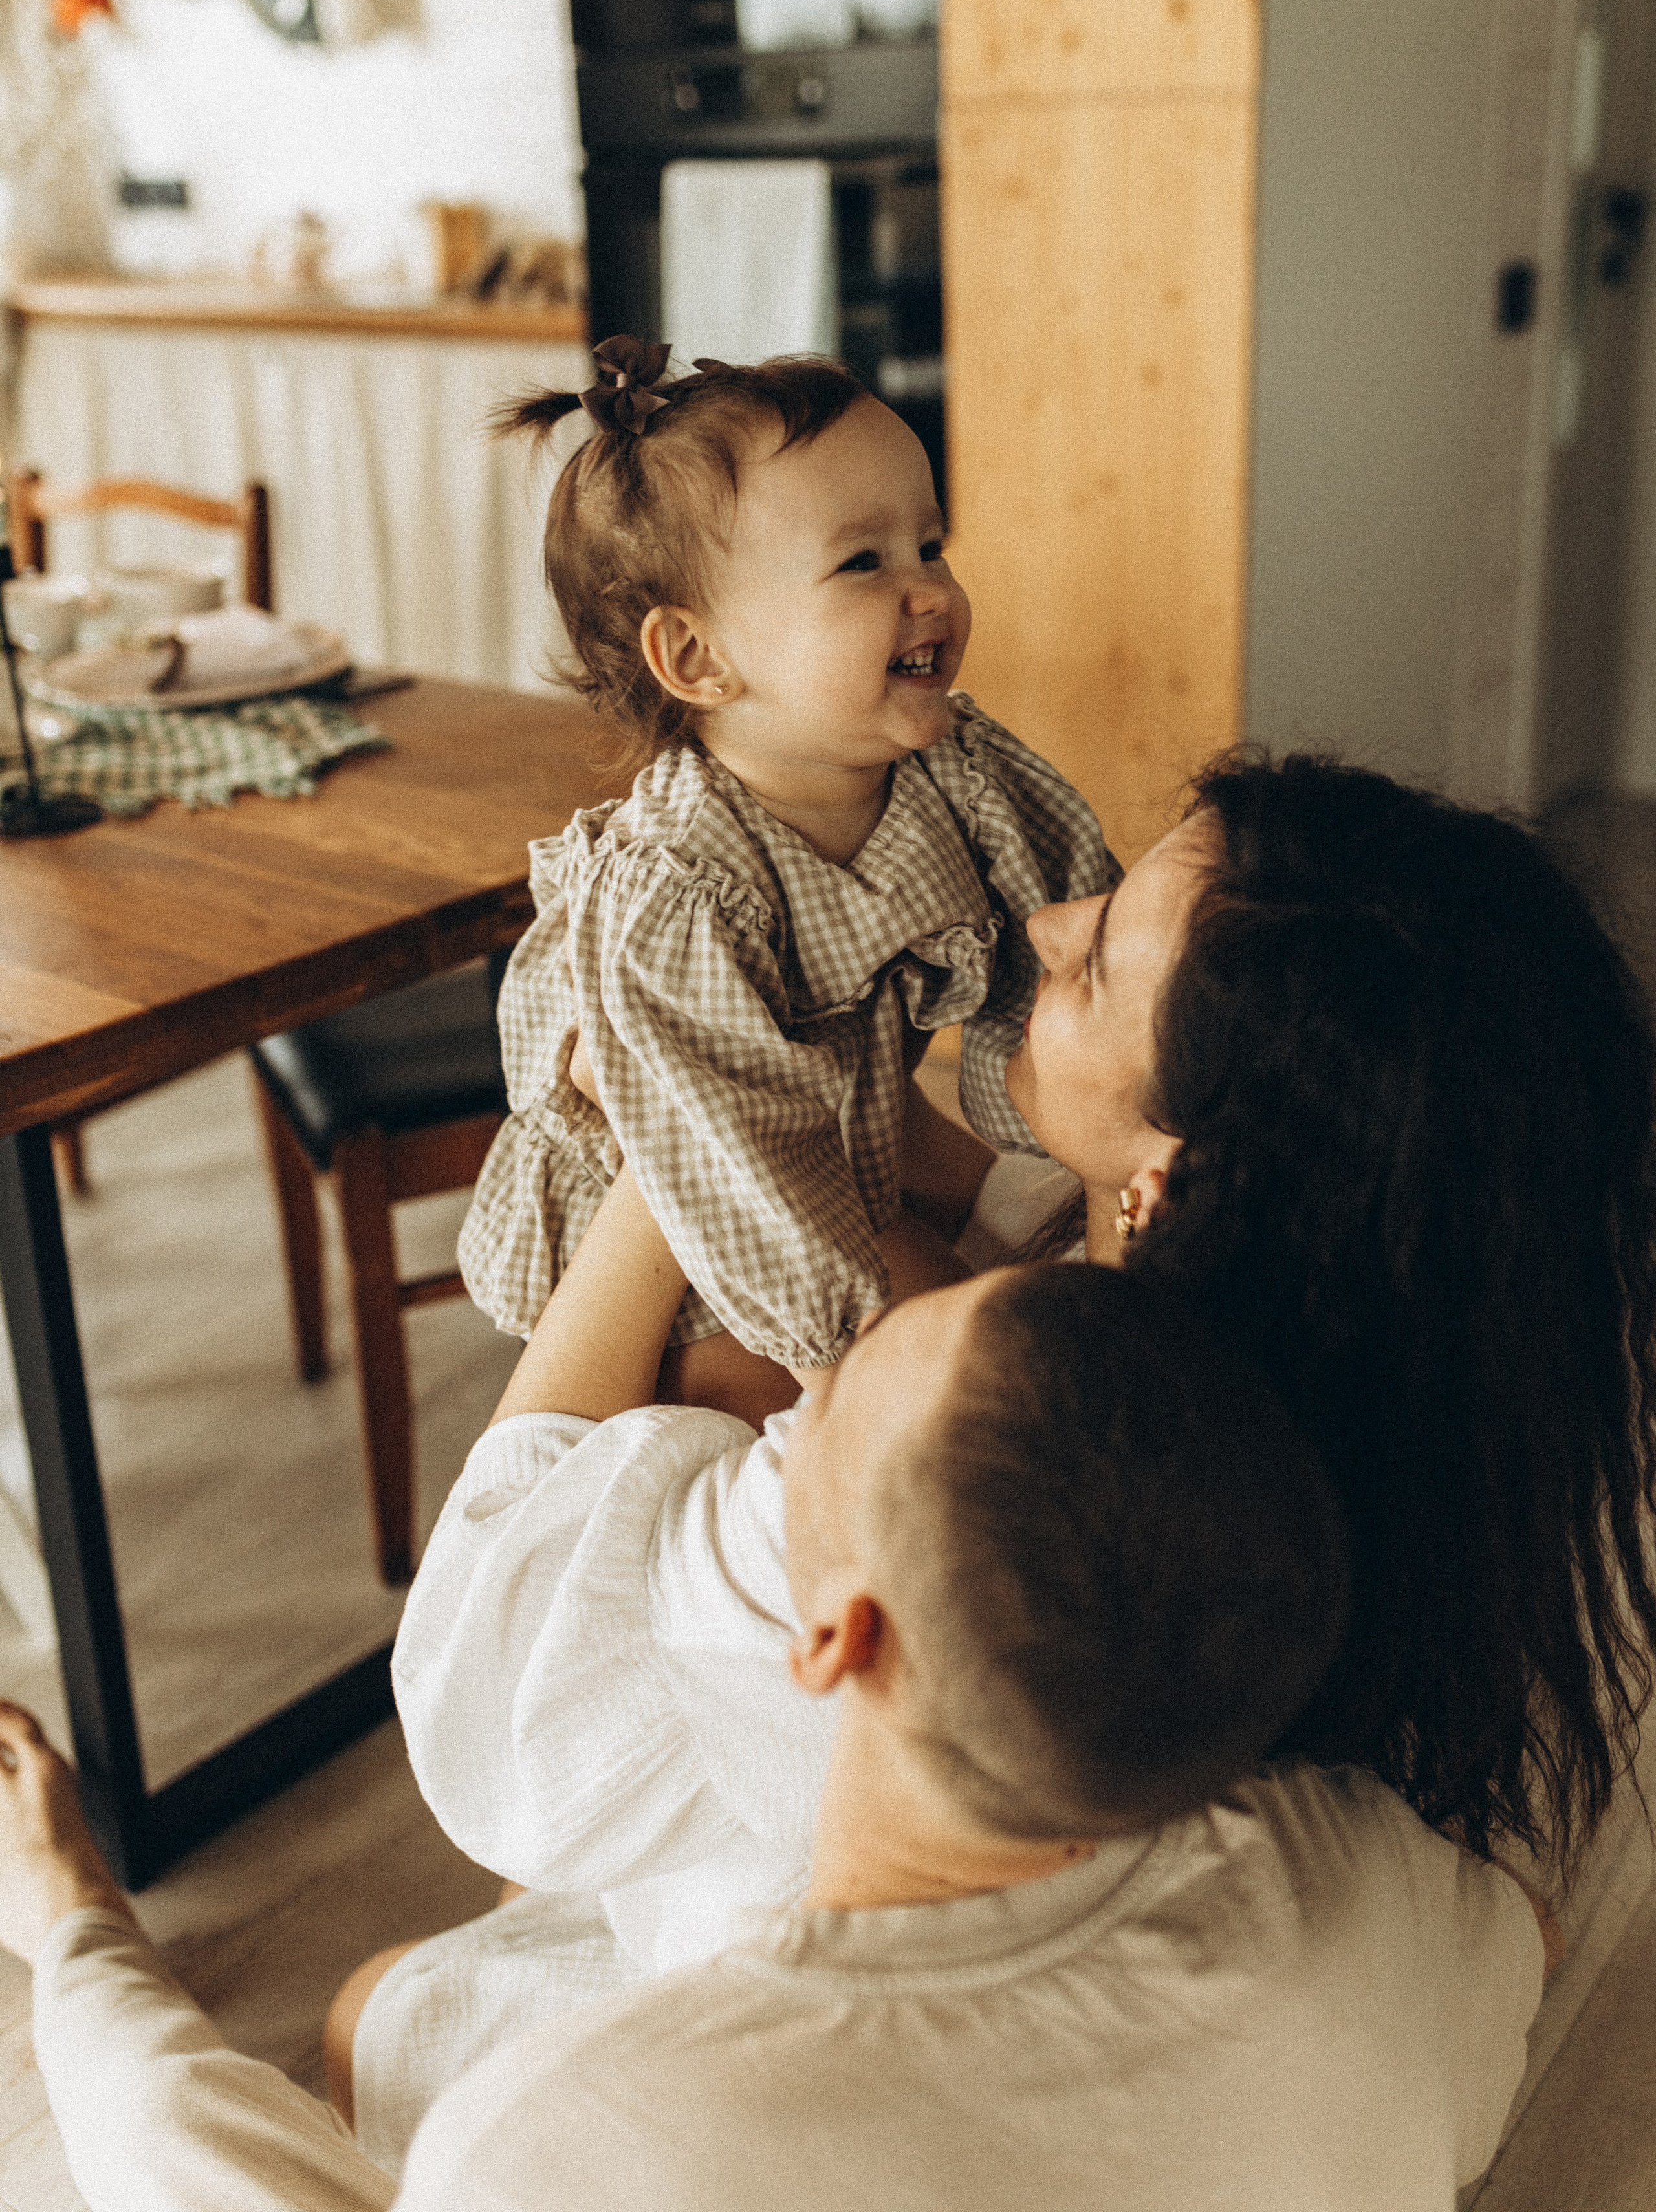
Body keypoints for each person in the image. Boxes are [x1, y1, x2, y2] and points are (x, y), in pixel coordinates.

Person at [363, 750, 1656, 2161]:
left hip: (860, 2053)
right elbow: (939, 1205)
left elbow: (477, 1701)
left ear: (1162, 1176)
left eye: (1095, 959)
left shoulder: (950, 1505)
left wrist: (659, 1170)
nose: (1046, 925)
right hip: (1152, 1971)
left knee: (384, 2003)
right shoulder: (1385, 1394)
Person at [0, 1255, 1554, 2212]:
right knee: (399, 2000)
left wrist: (76, 1927)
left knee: (239, 2086)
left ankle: (59, 1910)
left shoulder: (588, 2129)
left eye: (820, 1409)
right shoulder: (1368, 1869)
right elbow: (1523, 1936)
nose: (795, 1388)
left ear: (832, 1638)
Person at [457, 335, 1113, 1402]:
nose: (930, 592)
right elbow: (734, 1178)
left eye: (931, 545)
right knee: (968, 1387)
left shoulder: (956, 765)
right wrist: (842, 1370)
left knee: (1035, 1319)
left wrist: (1083, 1138)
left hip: (835, 1157)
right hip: (696, 1238)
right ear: (700, 660)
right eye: (864, 563)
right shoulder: (679, 892)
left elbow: (1077, 925)